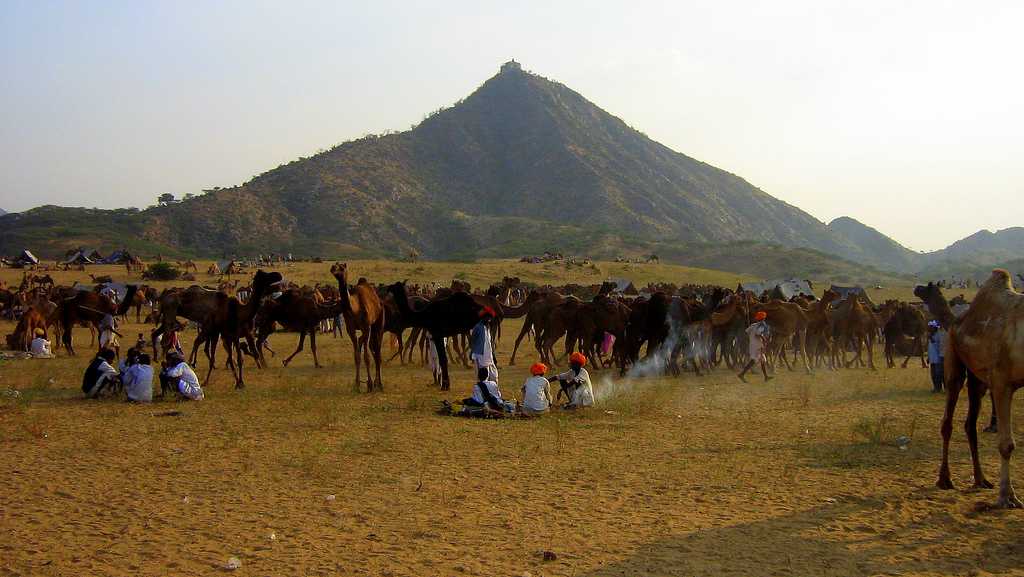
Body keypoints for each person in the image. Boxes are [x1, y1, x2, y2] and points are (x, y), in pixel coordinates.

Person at [738, 311, 773, 383]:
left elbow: (746, 332)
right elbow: (758, 333)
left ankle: (766, 377)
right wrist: (764, 339)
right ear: (763, 319)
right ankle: (742, 374)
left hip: (753, 344)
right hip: (757, 345)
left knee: (762, 360)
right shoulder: (762, 326)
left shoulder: (753, 325)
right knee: (754, 360)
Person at [470, 307, 498, 383]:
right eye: (488, 317)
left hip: (489, 355)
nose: (489, 319)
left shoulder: (488, 327)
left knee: (494, 377)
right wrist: (472, 353)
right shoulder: (477, 327)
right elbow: (473, 340)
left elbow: (489, 342)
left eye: (490, 318)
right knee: (483, 379)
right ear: (483, 317)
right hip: (480, 356)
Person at [927, 320, 946, 393]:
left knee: (939, 374)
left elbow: (938, 345)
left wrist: (931, 338)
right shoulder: (931, 335)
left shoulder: (939, 334)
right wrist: (928, 357)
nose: (930, 329)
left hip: (938, 358)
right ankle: (936, 388)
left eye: (931, 327)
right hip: (932, 359)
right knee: (933, 375)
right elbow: (930, 348)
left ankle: (941, 388)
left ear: (935, 328)